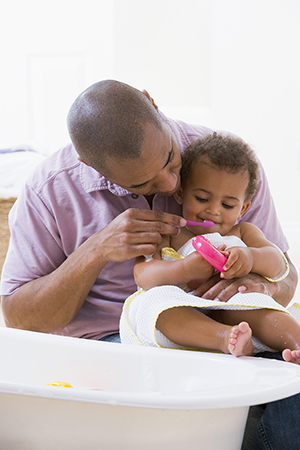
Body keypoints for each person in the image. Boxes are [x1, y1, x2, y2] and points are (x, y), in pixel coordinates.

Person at [0, 79, 298, 448]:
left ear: (152, 102)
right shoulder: (48, 191)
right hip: (117, 340)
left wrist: (260, 287)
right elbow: (19, 317)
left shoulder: (226, 165)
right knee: (173, 368)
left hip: (226, 319)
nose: (173, 184)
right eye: (143, 183)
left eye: (172, 160)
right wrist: (96, 250)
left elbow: (284, 274)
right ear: (89, 165)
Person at [120, 133, 300, 363]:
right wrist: (184, 269)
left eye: (227, 205)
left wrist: (251, 258)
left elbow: (278, 264)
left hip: (234, 305)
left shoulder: (244, 232)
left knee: (256, 303)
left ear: (243, 208)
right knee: (152, 303)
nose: (214, 210)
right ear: (181, 194)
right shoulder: (169, 234)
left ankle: (296, 342)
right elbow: (143, 274)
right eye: (202, 198)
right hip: (187, 311)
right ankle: (225, 338)